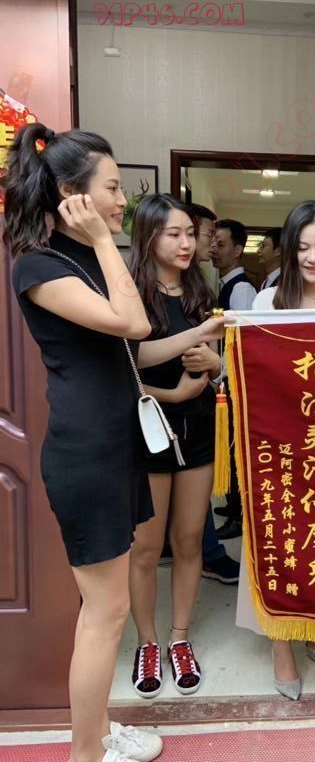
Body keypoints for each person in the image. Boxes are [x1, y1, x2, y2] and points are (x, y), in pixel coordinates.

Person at [3, 125, 204, 762]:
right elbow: (133, 322)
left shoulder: (89, 261)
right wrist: (100, 239)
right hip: (86, 457)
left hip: (117, 450)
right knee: (106, 612)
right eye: (113, 188)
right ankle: (86, 753)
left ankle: (97, 734)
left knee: (105, 611)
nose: (124, 201)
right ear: (74, 195)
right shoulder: (38, 266)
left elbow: (132, 351)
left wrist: (205, 332)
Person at [238, 200, 315, 699]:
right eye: (303, 247)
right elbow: (253, 375)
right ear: (289, 250)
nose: (313, 257)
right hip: (280, 448)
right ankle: (281, 645)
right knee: (279, 541)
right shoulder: (267, 302)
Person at [127, 194, 222, 699]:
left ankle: (179, 637)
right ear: (149, 236)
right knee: (146, 548)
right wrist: (174, 393)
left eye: (191, 234)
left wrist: (214, 362)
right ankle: (147, 642)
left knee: (188, 541)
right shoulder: (128, 293)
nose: (187, 243)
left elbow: (217, 361)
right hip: (148, 428)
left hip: (199, 427)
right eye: (175, 234)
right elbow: (127, 364)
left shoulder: (201, 291)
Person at [186, 203, 240, 584]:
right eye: (209, 235)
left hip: (202, 399)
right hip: (177, 404)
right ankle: (206, 551)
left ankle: (206, 551)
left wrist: (217, 366)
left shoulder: (200, 286)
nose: (212, 244)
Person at [210, 218, 257, 540]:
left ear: (238, 250)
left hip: (233, 379)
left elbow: (242, 338)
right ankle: (232, 504)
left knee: (236, 446)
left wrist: (225, 373)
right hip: (223, 377)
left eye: (221, 244)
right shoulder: (225, 284)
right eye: (212, 242)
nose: (213, 249)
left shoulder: (241, 289)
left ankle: (240, 514)